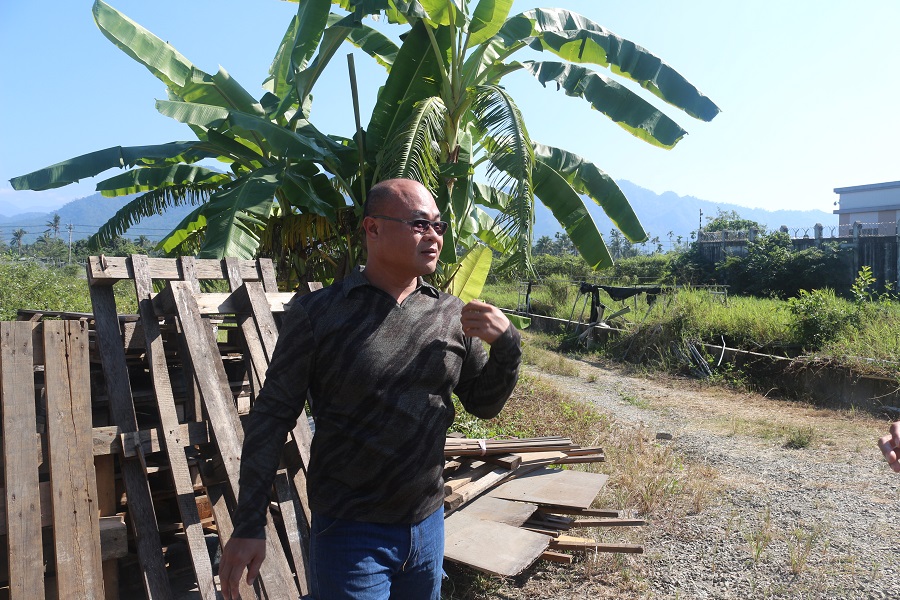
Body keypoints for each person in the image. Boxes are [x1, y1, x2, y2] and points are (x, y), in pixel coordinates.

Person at [219, 178, 522, 599]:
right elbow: (271, 419)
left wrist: (508, 346)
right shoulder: (319, 313)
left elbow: (483, 404)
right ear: (373, 229)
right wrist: (249, 523)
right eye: (419, 224)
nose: (433, 235)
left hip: (427, 526)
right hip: (350, 532)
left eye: (438, 225)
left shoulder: (452, 315)